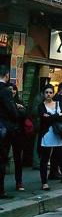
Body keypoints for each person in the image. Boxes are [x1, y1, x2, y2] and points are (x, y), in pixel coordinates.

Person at [0, 66, 19, 198]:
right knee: (1, 159)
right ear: (6, 75)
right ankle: (1, 190)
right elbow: (11, 110)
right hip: (3, 128)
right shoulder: (5, 91)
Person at [9, 83, 26, 191]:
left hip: (18, 133)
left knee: (18, 158)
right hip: (7, 132)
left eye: (14, 89)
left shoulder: (20, 103)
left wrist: (20, 109)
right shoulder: (5, 103)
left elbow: (24, 117)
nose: (12, 91)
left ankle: (19, 182)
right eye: (10, 89)